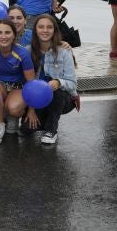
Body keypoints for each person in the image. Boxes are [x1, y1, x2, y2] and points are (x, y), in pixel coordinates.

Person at [27, 14, 79, 144]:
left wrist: (58, 82)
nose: (45, 30)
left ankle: (51, 130)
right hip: (38, 97)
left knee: (56, 91)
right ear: (35, 30)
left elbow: (72, 84)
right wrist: (31, 110)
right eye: (41, 27)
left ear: (55, 30)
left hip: (62, 97)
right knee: (26, 129)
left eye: (49, 27)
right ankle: (44, 119)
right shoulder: (28, 51)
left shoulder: (64, 51)